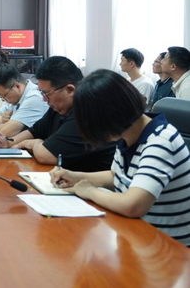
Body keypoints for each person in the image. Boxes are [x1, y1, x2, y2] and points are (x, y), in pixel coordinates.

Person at [50, 69, 190, 247]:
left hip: (167, 248)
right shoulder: (129, 134)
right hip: (135, 236)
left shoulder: (161, 141)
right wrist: (75, 177)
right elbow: (116, 176)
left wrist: (89, 191)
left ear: (110, 114)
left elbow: (133, 205)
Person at [0, 56, 116, 171]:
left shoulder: (85, 112)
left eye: (46, 94)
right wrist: (9, 142)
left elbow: (45, 155)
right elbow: (35, 131)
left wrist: (33, 143)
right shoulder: (58, 107)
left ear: (70, 90)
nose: (44, 99)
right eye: (42, 93)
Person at [0, 63, 48, 136]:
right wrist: (2, 120)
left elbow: (6, 132)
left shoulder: (34, 98)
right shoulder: (15, 97)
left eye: (3, 95)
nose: (3, 100)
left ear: (17, 86)